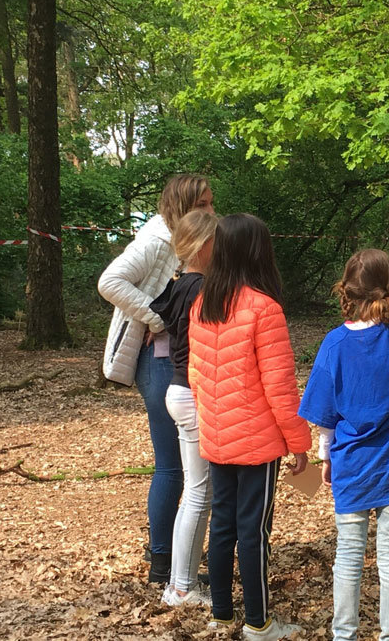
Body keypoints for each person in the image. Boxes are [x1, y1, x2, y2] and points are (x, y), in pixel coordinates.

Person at [299, 179, 389, 641]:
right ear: (387, 286)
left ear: (347, 288)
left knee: (349, 554)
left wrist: (325, 460)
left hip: (353, 465)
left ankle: (344, 635)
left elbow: (323, 416)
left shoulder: (335, 345)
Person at [188, 213, 311, 641]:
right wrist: (299, 444)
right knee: (253, 532)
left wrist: (213, 422)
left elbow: (196, 376)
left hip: (217, 437)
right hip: (257, 444)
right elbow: (279, 386)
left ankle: (221, 614)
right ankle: (258, 623)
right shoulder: (264, 308)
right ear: (260, 252)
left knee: (222, 527)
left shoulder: (202, 304)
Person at [98, 174, 214, 584]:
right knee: (173, 467)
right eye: (202, 203)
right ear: (182, 205)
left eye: (211, 202)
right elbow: (110, 282)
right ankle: (163, 562)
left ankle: (174, 554)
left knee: (189, 467)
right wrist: (160, 316)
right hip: (159, 361)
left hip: (184, 357)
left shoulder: (193, 240)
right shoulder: (156, 239)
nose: (210, 211)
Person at [148, 209, 219, 607]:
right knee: (197, 493)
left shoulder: (179, 286)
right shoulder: (200, 290)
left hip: (181, 391)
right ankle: (181, 586)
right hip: (193, 393)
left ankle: (181, 581)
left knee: (197, 491)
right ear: (204, 246)